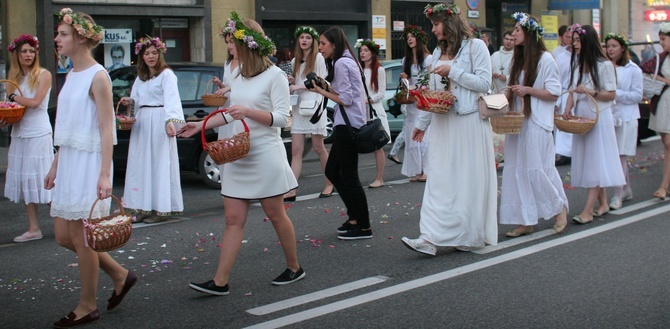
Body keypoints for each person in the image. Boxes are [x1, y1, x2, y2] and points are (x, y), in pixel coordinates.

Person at [181, 12, 304, 295]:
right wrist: (199, 125)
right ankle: (220, 281)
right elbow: (228, 116)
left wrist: (249, 112)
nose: (229, 46)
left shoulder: (275, 76)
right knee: (233, 220)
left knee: (276, 215)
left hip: (264, 154)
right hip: (236, 155)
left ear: (249, 44)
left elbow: (281, 119)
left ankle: (294, 266)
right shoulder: (235, 74)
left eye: (233, 41)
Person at [46, 8, 137, 327]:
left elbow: (106, 129)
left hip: (90, 163)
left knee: (82, 237)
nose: (57, 39)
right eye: (58, 34)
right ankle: (119, 273)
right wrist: (56, 164)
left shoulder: (98, 76)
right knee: (62, 235)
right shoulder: (70, 74)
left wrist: (104, 173)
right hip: (71, 160)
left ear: (81, 37)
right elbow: (69, 126)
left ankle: (87, 305)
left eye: (63, 34)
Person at [401, 2, 497, 256]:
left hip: (468, 122)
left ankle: (467, 234)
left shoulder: (476, 47)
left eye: (435, 24)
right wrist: (422, 123)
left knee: (466, 182)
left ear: (450, 22)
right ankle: (429, 237)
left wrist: (453, 70)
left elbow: (484, 83)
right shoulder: (435, 51)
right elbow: (435, 92)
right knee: (439, 180)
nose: (432, 30)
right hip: (442, 124)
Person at [500, 13, 568, 237]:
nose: (514, 33)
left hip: (537, 122)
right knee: (517, 171)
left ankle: (559, 210)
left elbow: (554, 92)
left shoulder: (545, 59)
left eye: (518, 30)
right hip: (518, 122)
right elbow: (513, 90)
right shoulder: (517, 59)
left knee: (538, 170)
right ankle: (525, 220)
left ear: (529, 33)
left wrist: (528, 90)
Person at [309, 26, 373, 240]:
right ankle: (355, 218)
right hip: (347, 123)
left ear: (334, 44)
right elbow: (346, 93)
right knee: (333, 171)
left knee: (349, 176)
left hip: (348, 125)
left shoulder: (342, 63)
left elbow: (345, 100)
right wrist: (324, 85)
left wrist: (320, 90)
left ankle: (363, 226)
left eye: (323, 43)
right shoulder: (345, 61)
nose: (320, 48)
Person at [563, 24, 625, 224]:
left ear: (587, 41)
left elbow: (611, 94)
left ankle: (588, 211)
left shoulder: (604, 65)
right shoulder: (577, 63)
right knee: (591, 160)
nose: (574, 44)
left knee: (596, 161)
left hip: (599, 118)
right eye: (573, 40)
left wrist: (590, 92)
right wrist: (568, 107)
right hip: (582, 117)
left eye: (578, 40)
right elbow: (573, 89)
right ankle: (603, 203)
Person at [119, 36, 184, 223]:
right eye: (147, 53)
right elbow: (137, 100)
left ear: (160, 54)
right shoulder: (141, 78)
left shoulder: (167, 75)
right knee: (140, 166)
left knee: (158, 164)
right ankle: (142, 207)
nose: (150, 57)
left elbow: (172, 99)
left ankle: (159, 208)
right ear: (142, 56)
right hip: (142, 123)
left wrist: (171, 122)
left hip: (159, 122)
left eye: (154, 53)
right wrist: (129, 102)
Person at [2, 34, 53, 243]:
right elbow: (14, 110)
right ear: (17, 54)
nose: (28, 55)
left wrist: (12, 98)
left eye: (32, 51)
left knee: (47, 180)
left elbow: (34, 103)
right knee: (25, 181)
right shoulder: (12, 79)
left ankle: (72, 220)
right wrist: (5, 119)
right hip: (20, 133)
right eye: (24, 51)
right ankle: (34, 228)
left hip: (38, 133)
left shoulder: (44, 74)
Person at [284, 26, 335, 201]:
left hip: (314, 105)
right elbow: (295, 84)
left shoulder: (319, 58)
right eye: (301, 37)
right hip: (299, 107)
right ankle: (291, 189)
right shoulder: (294, 61)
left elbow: (321, 82)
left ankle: (330, 183)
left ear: (313, 41)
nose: (304, 40)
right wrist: (291, 81)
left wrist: (298, 85)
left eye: (308, 37)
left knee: (318, 147)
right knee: (296, 150)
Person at [605, 32, 643, 209]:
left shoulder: (633, 69)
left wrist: (616, 94)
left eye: (614, 46)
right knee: (616, 155)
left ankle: (617, 195)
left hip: (627, 117)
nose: (610, 49)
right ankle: (626, 188)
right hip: (609, 116)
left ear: (622, 48)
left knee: (621, 155)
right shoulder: (604, 66)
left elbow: (637, 95)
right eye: (608, 46)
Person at [640, 22, 670, 200]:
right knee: (666, 143)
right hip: (662, 103)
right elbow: (644, 70)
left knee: (668, 145)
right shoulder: (660, 58)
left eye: (664, 39)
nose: (661, 43)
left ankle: (664, 185)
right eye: (660, 39)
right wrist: (663, 80)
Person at [399, 24, 432, 182]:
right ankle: (417, 170)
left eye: (412, 36)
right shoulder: (406, 59)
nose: (410, 39)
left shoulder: (428, 58)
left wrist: (416, 88)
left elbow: (430, 81)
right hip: (411, 101)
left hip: (423, 99)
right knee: (411, 136)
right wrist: (404, 81)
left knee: (423, 136)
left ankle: (426, 170)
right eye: (408, 37)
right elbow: (405, 83)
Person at [356, 38, 389, 188]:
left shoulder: (379, 70)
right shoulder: (358, 69)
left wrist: (367, 100)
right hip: (359, 112)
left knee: (377, 146)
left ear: (372, 53)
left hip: (374, 111)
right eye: (361, 50)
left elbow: (381, 93)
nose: (362, 53)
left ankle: (379, 178)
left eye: (366, 50)